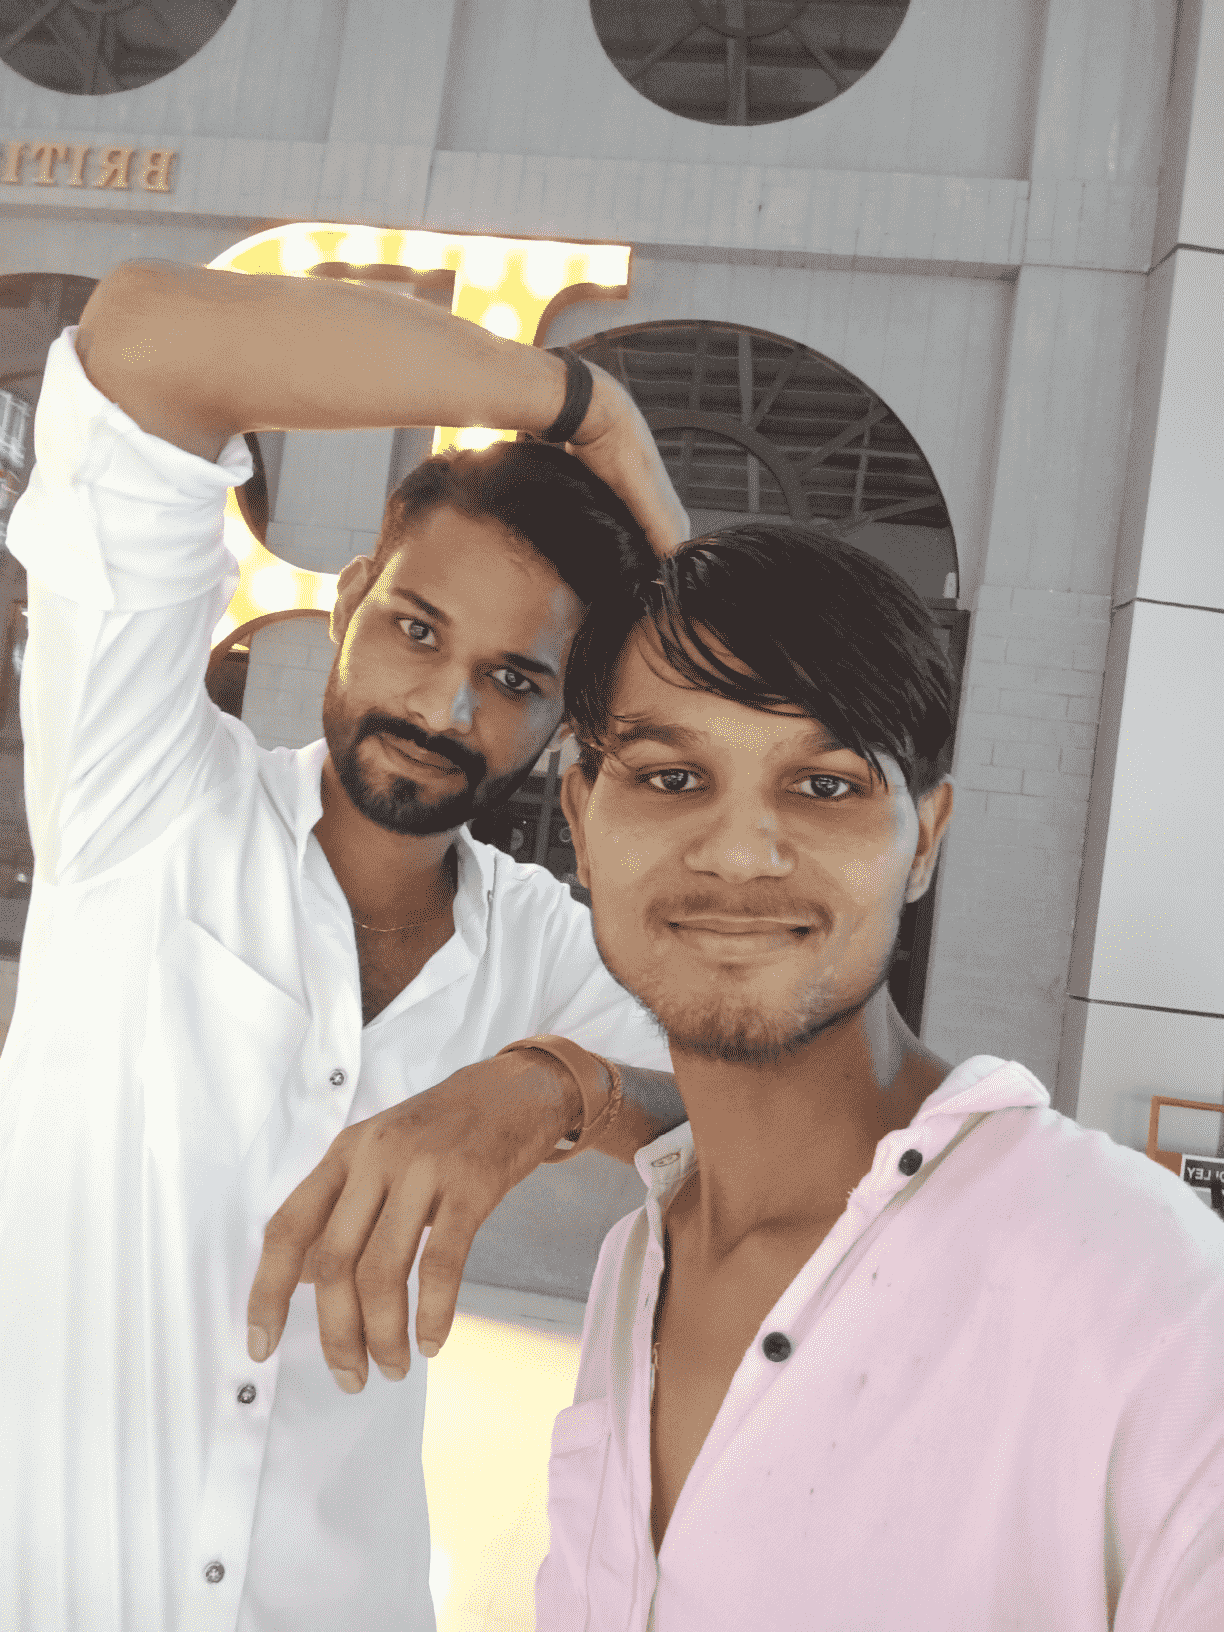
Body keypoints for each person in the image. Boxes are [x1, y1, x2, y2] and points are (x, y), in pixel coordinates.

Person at [0, 257, 692, 1632]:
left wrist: (555, 1087)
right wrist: (583, 406)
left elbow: (798, 1126)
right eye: (418, 630)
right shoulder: (142, 796)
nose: (443, 709)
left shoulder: (542, 953)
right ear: (353, 594)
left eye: (513, 679)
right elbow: (141, 335)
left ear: (565, 722)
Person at [535, 524, 1224, 1631]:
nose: (739, 853)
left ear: (926, 841)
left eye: (825, 784)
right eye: (672, 777)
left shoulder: (1152, 1296)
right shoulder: (639, 1262)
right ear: (579, 820)